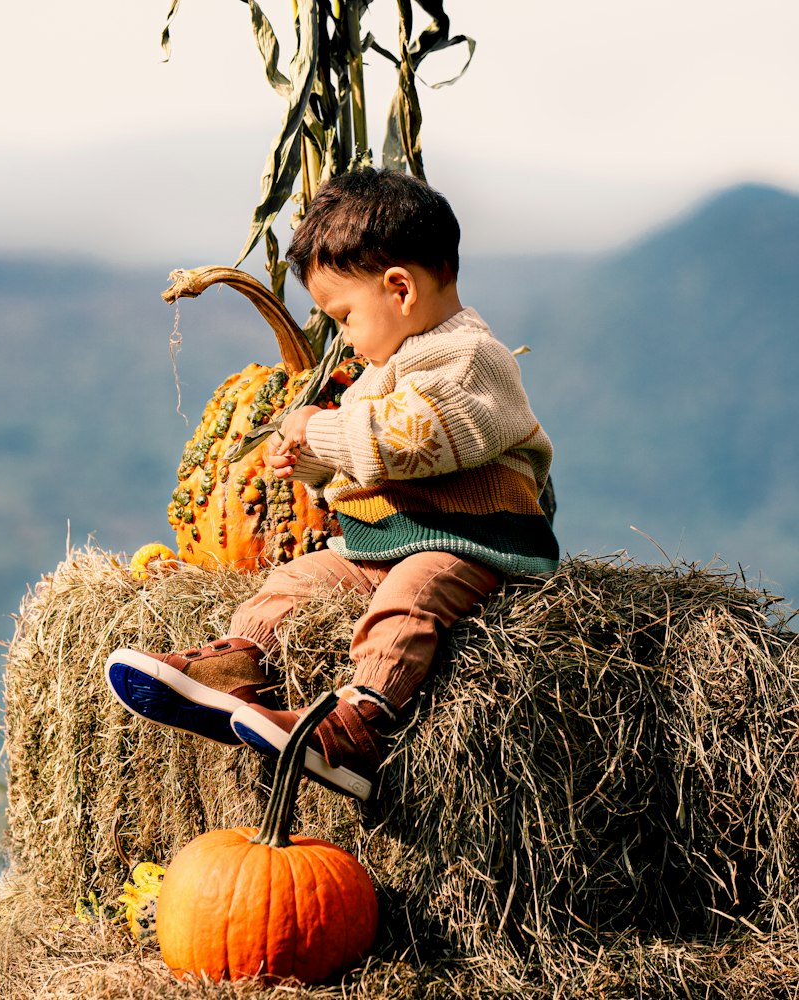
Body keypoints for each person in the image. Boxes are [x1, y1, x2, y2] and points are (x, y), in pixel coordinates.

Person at [106, 166, 559, 802]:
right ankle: (239, 667)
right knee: (297, 578)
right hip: (392, 539)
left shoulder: (473, 360)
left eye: (343, 316)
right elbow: (368, 456)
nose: (342, 335)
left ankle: (359, 728)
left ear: (399, 288)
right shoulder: (388, 364)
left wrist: (319, 429)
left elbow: (410, 440)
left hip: (471, 544)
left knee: (410, 599)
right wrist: (317, 468)